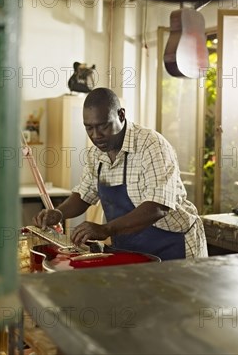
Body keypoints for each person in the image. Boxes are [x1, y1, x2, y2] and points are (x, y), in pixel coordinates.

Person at [33, 87, 208, 260]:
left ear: (121, 115)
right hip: (131, 250)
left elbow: (158, 207)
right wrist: (59, 213)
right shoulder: (96, 153)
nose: (96, 135)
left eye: (103, 126)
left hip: (173, 247)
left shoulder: (151, 145)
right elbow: (85, 194)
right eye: (89, 128)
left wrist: (105, 229)